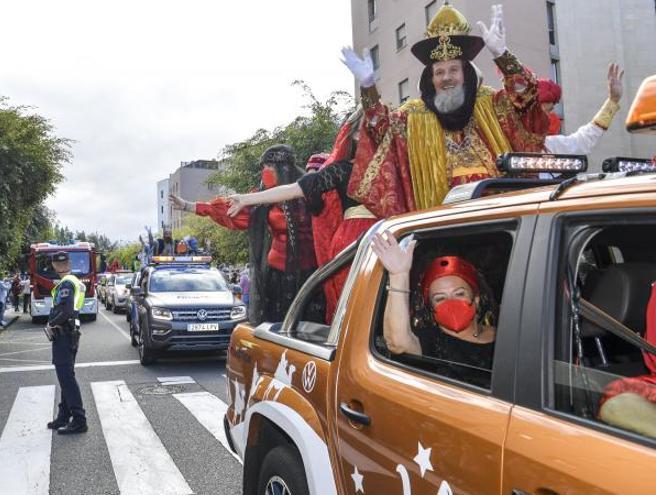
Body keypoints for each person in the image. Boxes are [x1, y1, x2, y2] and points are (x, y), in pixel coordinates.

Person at [226, 4, 548, 321]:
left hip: (498, 228)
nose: (447, 78)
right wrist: (368, 88)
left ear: (465, 72)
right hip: (443, 236)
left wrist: (503, 56)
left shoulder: (491, 104)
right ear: (430, 77)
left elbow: (527, 101)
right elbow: (380, 129)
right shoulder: (413, 115)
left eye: (453, 70)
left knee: (509, 308)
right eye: (439, 72)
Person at [171, 144, 323, 325]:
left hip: (309, 269)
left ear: (284, 168)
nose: (265, 171)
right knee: (277, 323)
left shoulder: (308, 190)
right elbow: (228, 208)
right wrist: (188, 206)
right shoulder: (260, 198)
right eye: (263, 167)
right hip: (275, 272)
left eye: (270, 166)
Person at [372, 232, 496, 388]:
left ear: (476, 299)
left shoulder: (505, 335)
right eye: (440, 298)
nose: (451, 303)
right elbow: (398, 343)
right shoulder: (430, 341)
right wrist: (399, 275)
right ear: (431, 308)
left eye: (459, 294)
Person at [44, 252, 87, 435]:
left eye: (62, 263)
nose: (60, 266)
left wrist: (51, 324)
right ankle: (64, 415)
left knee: (66, 378)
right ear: (55, 265)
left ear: (67, 264)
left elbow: (67, 310)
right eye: (58, 263)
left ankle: (79, 420)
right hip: (71, 333)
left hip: (64, 334)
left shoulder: (67, 283)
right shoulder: (73, 281)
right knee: (65, 377)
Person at [540, 64, 625, 155]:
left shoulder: (549, 145)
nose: (548, 117)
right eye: (543, 111)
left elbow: (582, 141)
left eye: (549, 111)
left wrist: (613, 101)